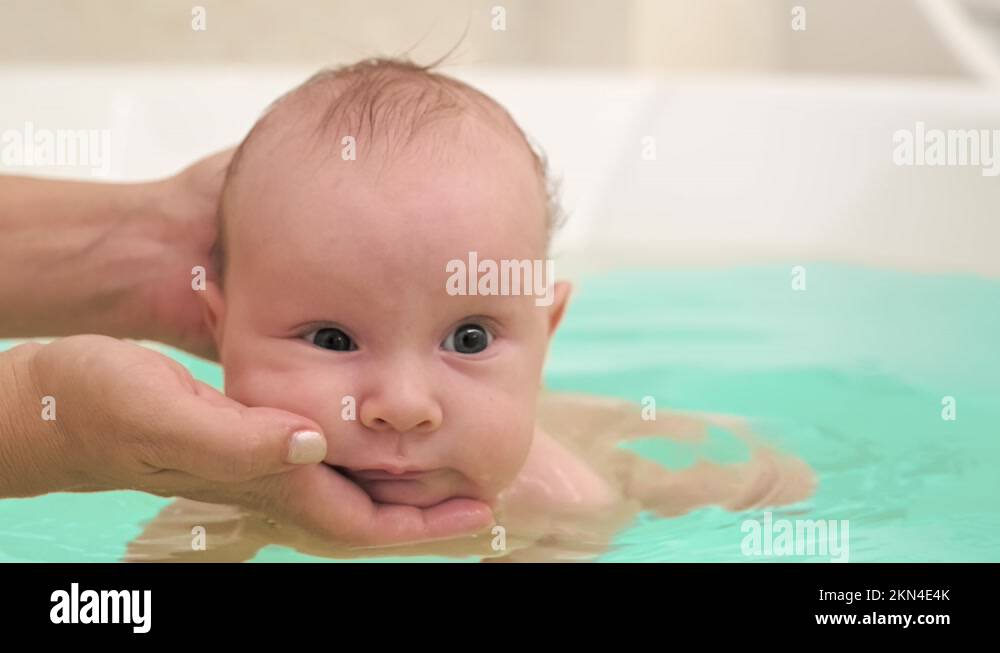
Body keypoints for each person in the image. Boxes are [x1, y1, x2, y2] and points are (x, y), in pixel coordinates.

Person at [0, 149, 495, 546]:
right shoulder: (213, 491)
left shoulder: (552, 496)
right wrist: (45, 420)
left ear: (548, 327)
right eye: (332, 339)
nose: (404, 407)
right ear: (220, 326)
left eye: (469, 341)